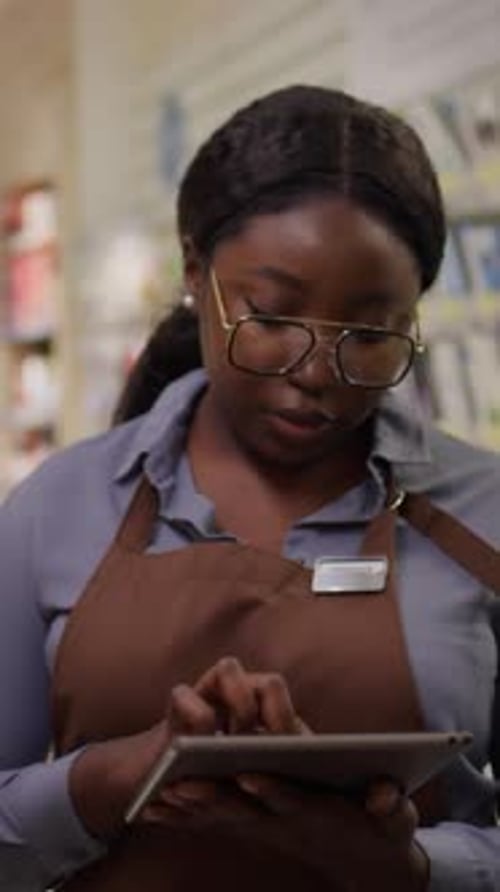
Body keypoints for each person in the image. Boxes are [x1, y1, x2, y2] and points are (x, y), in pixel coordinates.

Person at [0, 84, 499, 892]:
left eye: (370, 336)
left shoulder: (484, 514)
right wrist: (107, 783)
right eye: (269, 319)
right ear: (196, 272)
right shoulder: (59, 508)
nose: (314, 377)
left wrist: (411, 867)